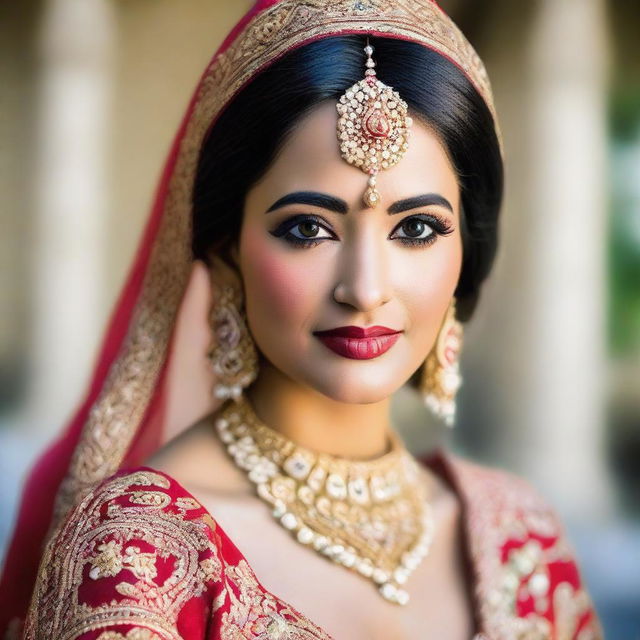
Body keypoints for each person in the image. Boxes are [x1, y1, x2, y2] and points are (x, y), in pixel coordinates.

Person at [0, 1, 602, 638]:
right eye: (308, 229)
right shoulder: (140, 555)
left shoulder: (524, 538)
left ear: (466, 253)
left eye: (418, 228)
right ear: (227, 249)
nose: (365, 288)